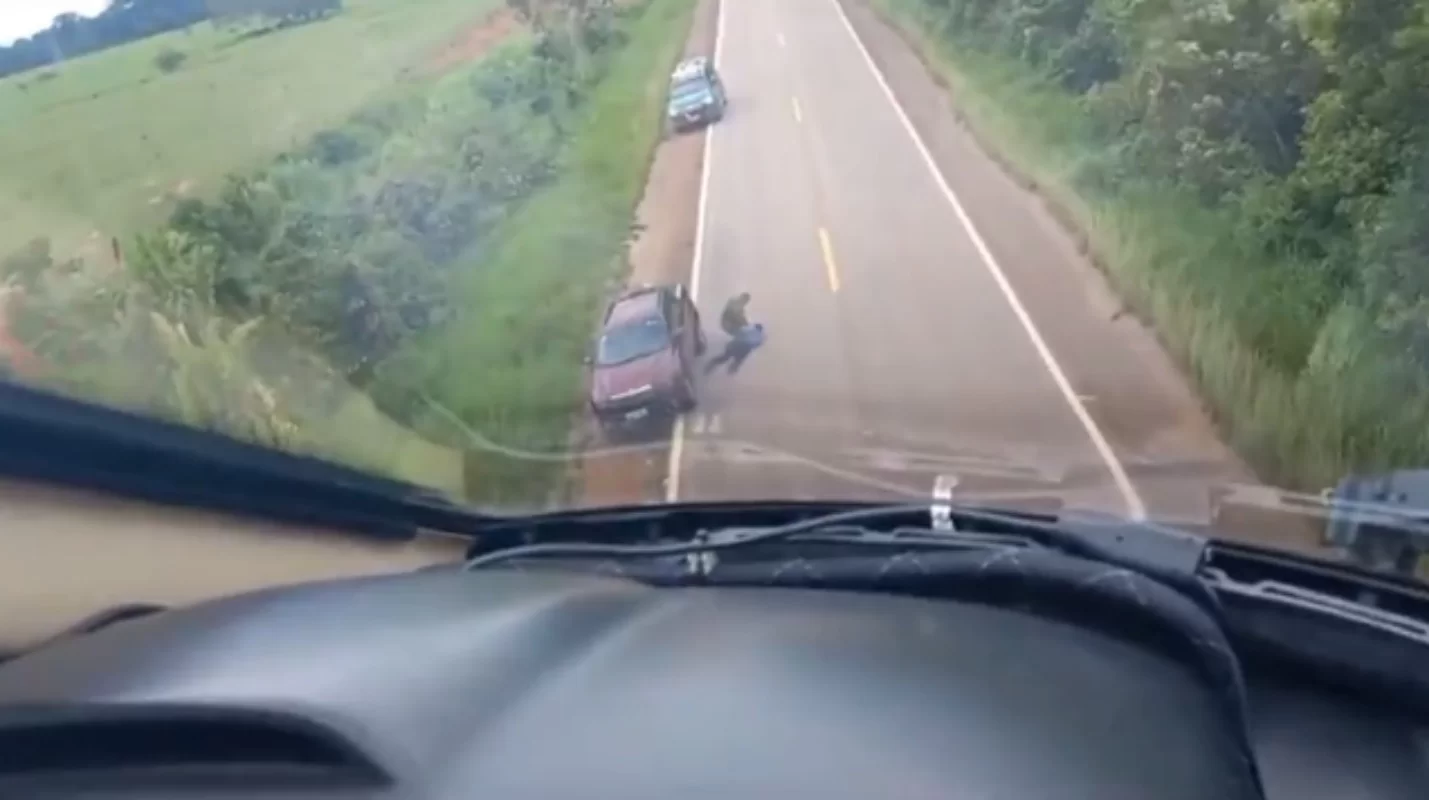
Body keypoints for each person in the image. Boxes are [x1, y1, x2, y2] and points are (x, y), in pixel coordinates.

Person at [706, 293, 764, 375]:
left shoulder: (753, 336)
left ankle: (717, 369)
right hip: (733, 335)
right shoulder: (734, 304)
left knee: (729, 360)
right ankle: (713, 368)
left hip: (737, 344)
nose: (745, 303)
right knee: (730, 359)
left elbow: (743, 321)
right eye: (744, 300)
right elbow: (737, 316)